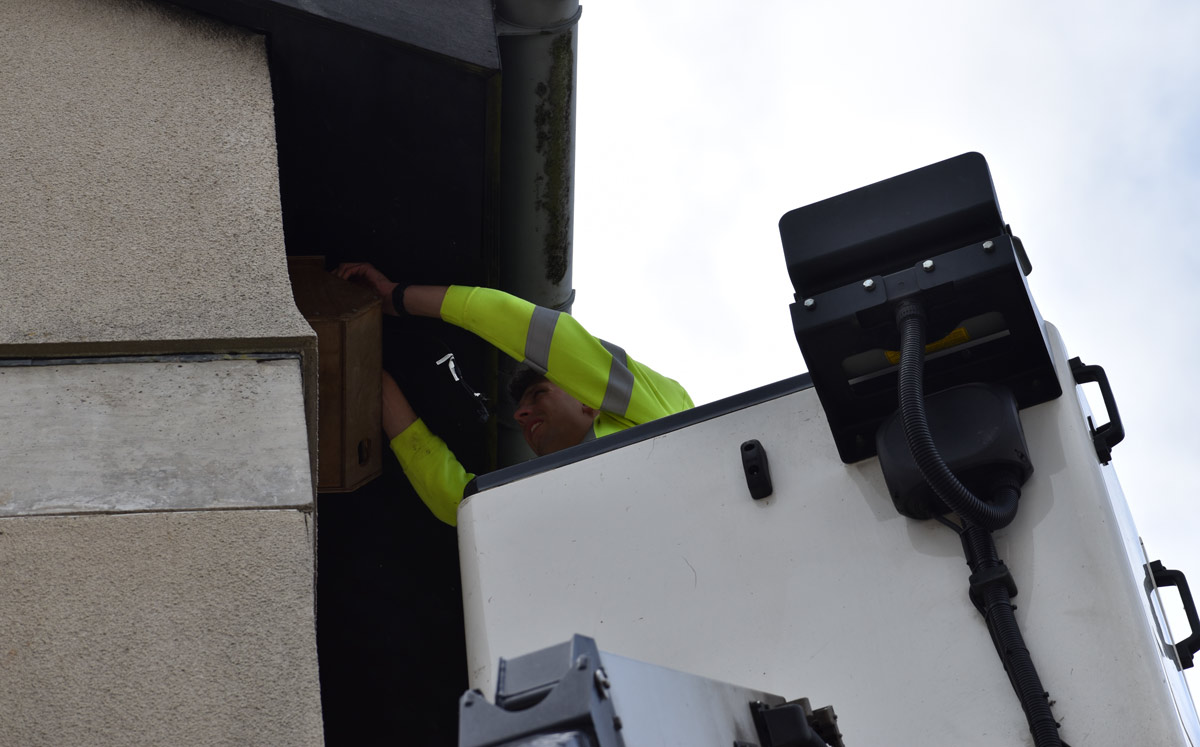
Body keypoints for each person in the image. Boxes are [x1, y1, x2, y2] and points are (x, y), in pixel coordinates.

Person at [334, 263, 694, 525]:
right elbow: (461, 501)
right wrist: (373, 385)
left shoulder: (667, 417)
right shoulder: (547, 496)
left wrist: (397, 297)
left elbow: (531, 329)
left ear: (589, 402)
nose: (520, 417)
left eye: (538, 394)